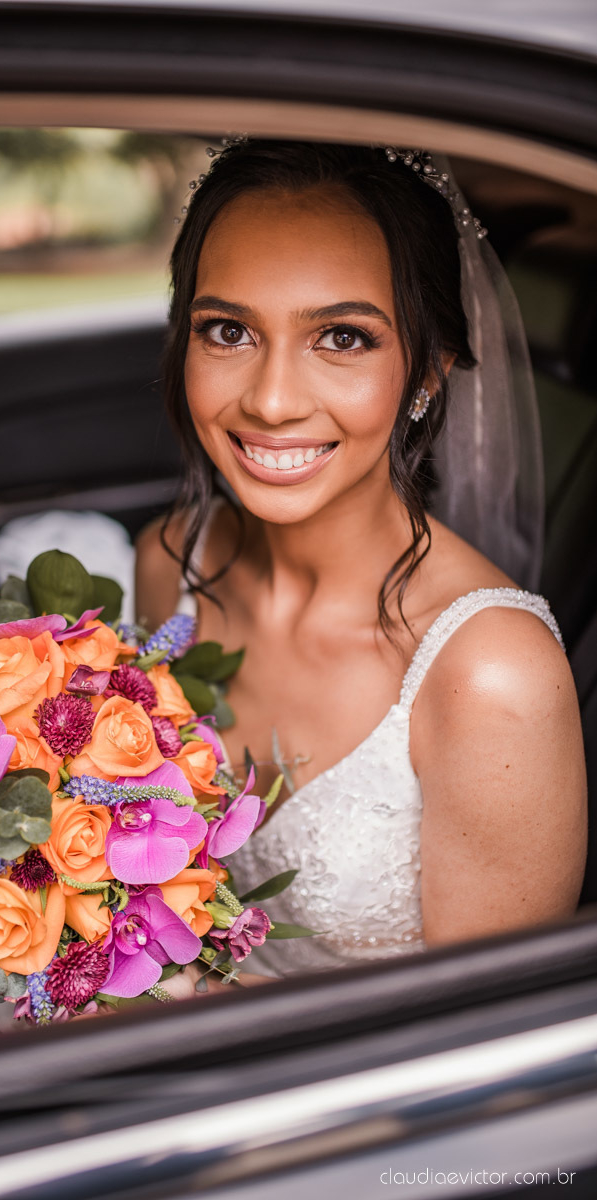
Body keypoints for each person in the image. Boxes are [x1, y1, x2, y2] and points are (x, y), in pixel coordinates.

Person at [134, 140, 587, 976]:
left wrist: (175, 1006)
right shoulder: (169, 563)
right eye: (227, 330)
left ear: (428, 372)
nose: (270, 401)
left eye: (342, 338)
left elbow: (491, 1058)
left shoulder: (489, 678)